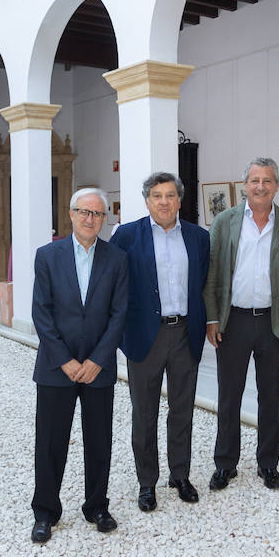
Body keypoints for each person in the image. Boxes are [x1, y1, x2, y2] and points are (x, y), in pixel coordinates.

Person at [29, 187, 129, 544]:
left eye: (97, 214)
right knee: (51, 442)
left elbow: (119, 315)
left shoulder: (117, 259)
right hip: (58, 368)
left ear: (105, 220)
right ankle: (45, 512)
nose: (90, 219)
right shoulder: (47, 255)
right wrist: (67, 362)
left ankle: (97, 506)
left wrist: (98, 361)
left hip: (98, 369)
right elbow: (41, 313)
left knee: (99, 441)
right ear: (71, 214)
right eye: (84, 212)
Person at [109, 172, 210, 512]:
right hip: (143, 336)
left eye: (170, 195)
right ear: (147, 200)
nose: (164, 201)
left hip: (185, 333)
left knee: (182, 410)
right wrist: (120, 334)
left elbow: (203, 285)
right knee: (145, 412)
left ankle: (179, 475)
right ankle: (146, 482)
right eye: (156, 195)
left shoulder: (198, 237)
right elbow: (115, 289)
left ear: (180, 200)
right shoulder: (125, 236)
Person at [204, 157, 279, 491]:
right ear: (245, 184)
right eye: (254, 180)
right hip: (233, 321)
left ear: (277, 185)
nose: (260, 186)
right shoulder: (225, 221)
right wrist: (213, 318)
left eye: (267, 180)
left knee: (269, 396)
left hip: (274, 323)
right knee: (228, 396)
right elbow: (214, 272)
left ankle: (268, 464)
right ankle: (225, 464)